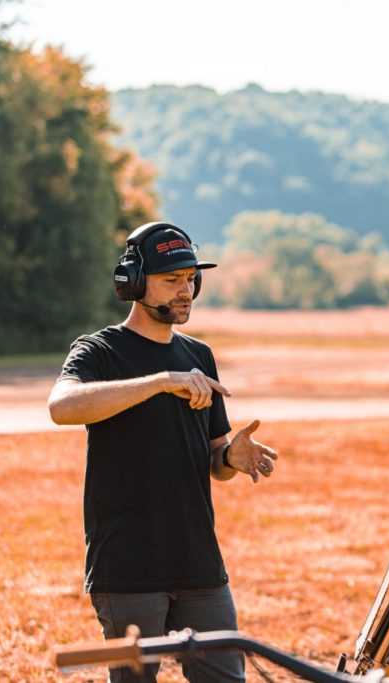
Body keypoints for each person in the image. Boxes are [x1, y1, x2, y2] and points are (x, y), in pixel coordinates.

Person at [48, 221, 279, 683]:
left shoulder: (200, 354)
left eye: (191, 278)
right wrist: (160, 382)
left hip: (199, 563)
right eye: (172, 280)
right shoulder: (100, 350)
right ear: (134, 283)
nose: (186, 290)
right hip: (128, 566)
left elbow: (214, 461)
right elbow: (61, 406)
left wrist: (230, 458)